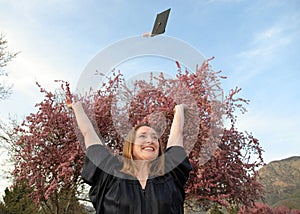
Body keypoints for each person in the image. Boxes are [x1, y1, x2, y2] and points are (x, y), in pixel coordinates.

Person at [67, 100, 192, 214]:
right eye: (142, 136)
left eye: (155, 137)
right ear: (131, 145)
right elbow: (88, 133)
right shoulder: (110, 174)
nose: (150, 140)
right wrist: (77, 108)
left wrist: (179, 111)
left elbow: (177, 137)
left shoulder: (170, 174)